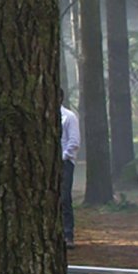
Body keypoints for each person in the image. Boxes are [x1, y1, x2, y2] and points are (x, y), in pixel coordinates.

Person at [60, 88, 80, 249]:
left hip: (65, 163)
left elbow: (73, 142)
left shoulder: (68, 117)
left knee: (64, 198)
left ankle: (68, 235)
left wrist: (62, 158)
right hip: (48, 164)